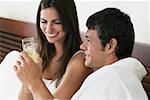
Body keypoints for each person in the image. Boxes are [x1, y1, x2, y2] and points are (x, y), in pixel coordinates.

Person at [10, 0, 92, 100]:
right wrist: (26, 80)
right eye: (44, 21)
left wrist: (34, 80)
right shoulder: (39, 54)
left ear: (69, 22)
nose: (48, 29)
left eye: (56, 22)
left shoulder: (80, 61)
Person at [71, 8, 148, 100]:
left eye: (89, 40)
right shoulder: (120, 77)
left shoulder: (111, 79)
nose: (83, 46)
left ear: (110, 46)